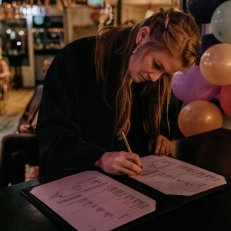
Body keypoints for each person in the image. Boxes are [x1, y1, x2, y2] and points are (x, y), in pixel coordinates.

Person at [36, 8, 200, 183]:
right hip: (71, 188)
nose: (155, 78)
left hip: (122, 188)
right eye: (156, 64)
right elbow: (52, 134)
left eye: (164, 74)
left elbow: (134, 133)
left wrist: (154, 136)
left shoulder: (147, 77)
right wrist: (99, 157)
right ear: (143, 36)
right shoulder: (76, 58)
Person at [0, 57, 53, 187]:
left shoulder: (61, 93)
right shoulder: (40, 89)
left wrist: (39, 127)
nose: (46, 74)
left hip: (44, 140)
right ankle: (14, 192)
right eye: (44, 71)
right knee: (17, 155)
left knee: (8, 140)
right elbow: (25, 114)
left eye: (49, 71)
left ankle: (1, 188)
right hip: (29, 134)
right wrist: (22, 125)